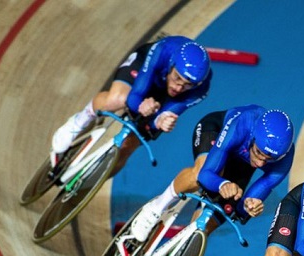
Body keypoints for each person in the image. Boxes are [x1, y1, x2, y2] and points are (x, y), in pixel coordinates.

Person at [128, 104, 295, 242]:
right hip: (216, 134)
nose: (260, 163)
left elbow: (246, 205)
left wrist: (248, 206)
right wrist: (223, 183)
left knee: (208, 226)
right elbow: (205, 175)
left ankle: (179, 255)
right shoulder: (243, 124)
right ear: (253, 139)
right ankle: (155, 208)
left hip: (242, 162)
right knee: (198, 175)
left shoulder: (284, 160)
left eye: (268, 160)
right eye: (259, 153)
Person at [50, 35, 211, 171]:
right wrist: (141, 106)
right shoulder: (163, 50)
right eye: (177, 78)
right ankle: (78, 122)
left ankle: (89, 185)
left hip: (164, 97)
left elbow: (169, 112)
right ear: (171, 66)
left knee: (129, 145)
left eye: (187, 85)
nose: (179, 87)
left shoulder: (200, 89)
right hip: (147, 71)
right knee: (117, 100)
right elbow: (134, 97)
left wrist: (159, 120)